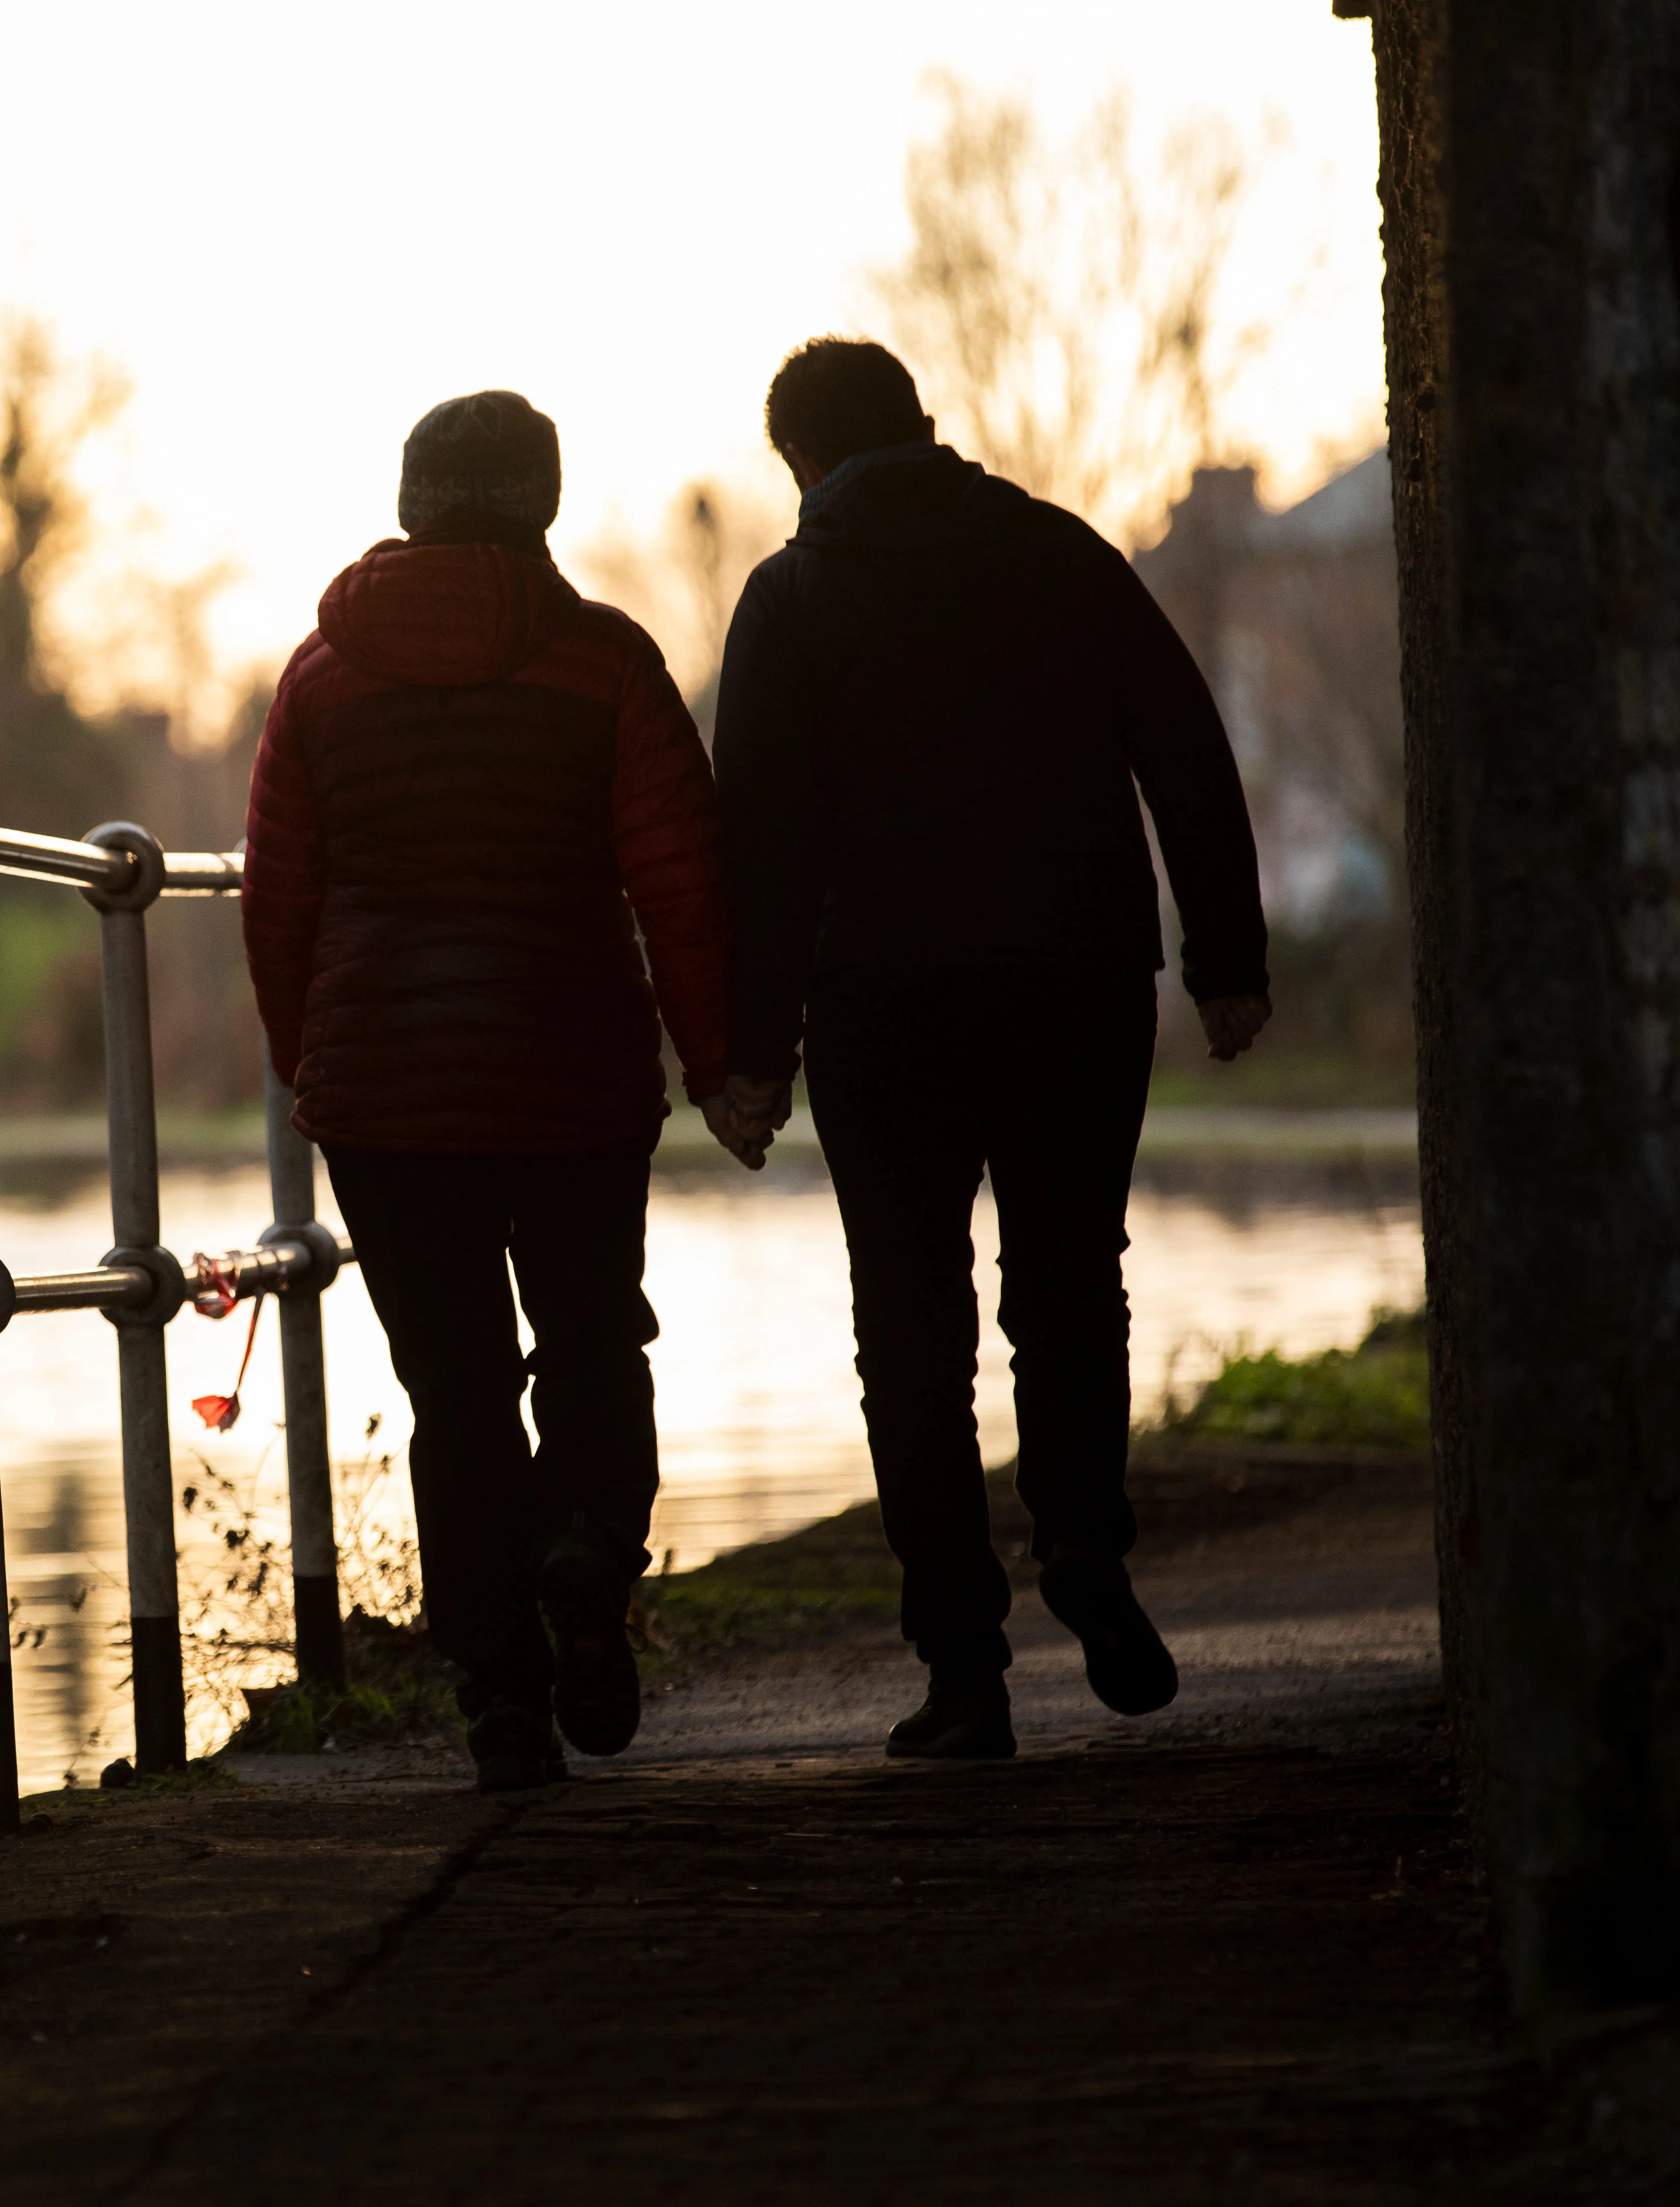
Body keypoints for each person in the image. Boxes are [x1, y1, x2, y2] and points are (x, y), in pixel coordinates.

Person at [709, 338, 1272, 1760]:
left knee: (910, 1325)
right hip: (1076, 978)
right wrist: (1228, 961)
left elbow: (762, 846)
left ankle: (963, 1668)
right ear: (926, 425)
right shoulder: (1061, 555)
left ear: (799, 465)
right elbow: (1186, 751)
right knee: (1072, 1280)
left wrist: (753, 1053)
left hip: (884, 1001)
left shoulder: (792, 597)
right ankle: (1083, 1545)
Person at [242, 390, 747, 1794]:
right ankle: (590, 1542)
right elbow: (682, 883)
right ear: (543, 503)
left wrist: (308, 1061)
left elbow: (278, 901)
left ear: (410, 504)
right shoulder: (602, 665)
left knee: (455, 1392)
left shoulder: (319, 680)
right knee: (593, 1338)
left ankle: (501, 1699)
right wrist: (720, 1067)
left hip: (389, 1093)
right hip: (571, 1069)